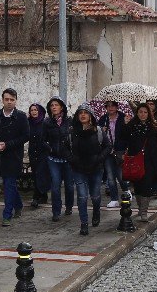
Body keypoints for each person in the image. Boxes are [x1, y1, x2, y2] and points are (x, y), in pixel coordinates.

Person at [0, 88, 29, 227]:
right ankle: (18, 205)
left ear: (16, 100)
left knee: (9, 183)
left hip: (14, 156)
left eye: (12, 99)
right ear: (3, 100)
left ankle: (7, 214)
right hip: (0, 155)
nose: (9, 102)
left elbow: (25, 136)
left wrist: (8, 144)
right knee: (8, 183)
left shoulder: (21, 117)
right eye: (7, 99)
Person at [69, 104, 111, 235]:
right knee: (82, 196)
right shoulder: (72, 131)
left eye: (85, 113)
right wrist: (72, 159)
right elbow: (64, 147)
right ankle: (84, 223)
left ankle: (96, 211)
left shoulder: (98, 131)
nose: (83, 115)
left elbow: (107, 146)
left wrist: (99, 158)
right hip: (79, 169)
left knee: (95, 196)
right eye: (80, 113)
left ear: (90, 116)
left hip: (95, 168)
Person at [124, 103, 157, 221]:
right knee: (138, 186)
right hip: (136, 160)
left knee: (147, 185)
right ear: (137, 113)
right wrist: (125, 125)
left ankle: (143, 212)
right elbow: (124, 138)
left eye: (145, 112)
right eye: (140, 112)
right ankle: (140, 207)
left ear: (149, 113)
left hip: (149, 161)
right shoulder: (132, 125)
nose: (143, 114)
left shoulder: (155, 126)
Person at [43, 96, 75, 221]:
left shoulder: (69, 121)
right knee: (55, 185)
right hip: (53, 159)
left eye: (56, 105)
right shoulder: (47, 122)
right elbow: (42, 140)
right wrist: (49, 148)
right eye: (52, 105)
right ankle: (56, 211)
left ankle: (69, 206)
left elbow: (75, 137)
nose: (54, 107)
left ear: (61, 107)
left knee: (69, 185)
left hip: (67, 159)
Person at [98, 101, 128, 207]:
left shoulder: (123, 117)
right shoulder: (103, 119)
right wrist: (102, 130)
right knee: (110, 176)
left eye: (113, 106)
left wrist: (126, 124)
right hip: (107, 151)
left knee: (121, 175)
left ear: (117, 107)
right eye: (108, 106)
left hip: (120, 150)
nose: (110, 108)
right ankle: (114, 199)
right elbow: (98, 135)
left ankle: (126, 190)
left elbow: (128, 134)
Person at [27, 103, 51, 208]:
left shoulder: (45, 123)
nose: (34, 112)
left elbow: (50, 136)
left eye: (36, 110)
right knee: (35, 174)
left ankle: (36, 197)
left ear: (40, 111)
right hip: (33, 151)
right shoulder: (28, 123)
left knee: (40, 173)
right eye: (32, 110)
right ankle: (43, 195)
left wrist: (48, 146)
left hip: (43, 152)